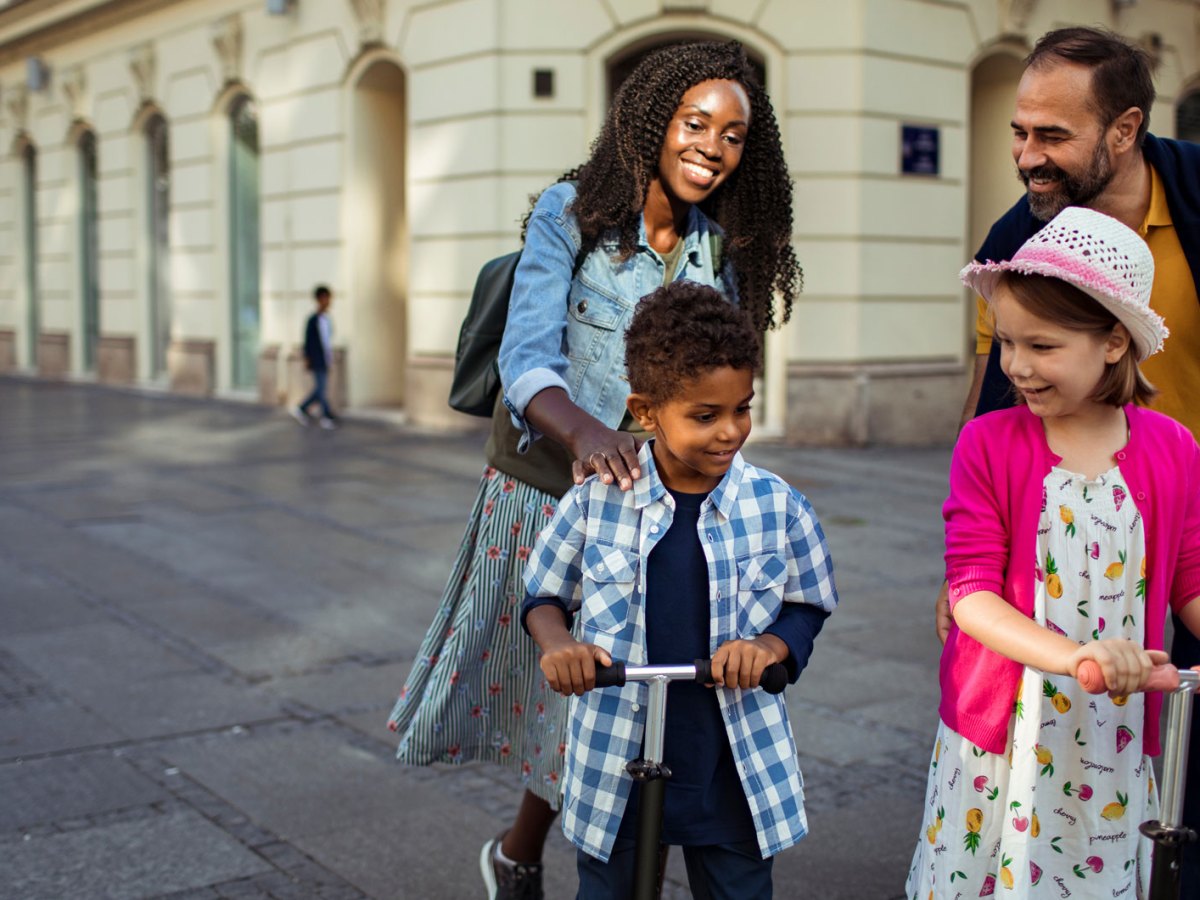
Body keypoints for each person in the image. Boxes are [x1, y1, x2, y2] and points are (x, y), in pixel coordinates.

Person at [385, 40, 802, 900]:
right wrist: (583, 433)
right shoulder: (568, 212)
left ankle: (536, 858)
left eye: (733, 134)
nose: (713, 147)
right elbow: (526, 356)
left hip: (645, 510)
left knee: (612, 703)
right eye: (696, 124)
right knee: (564, 696)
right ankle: (537, 858)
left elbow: (704, 384)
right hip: (547, 491)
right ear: (653, 120)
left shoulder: (714, 251)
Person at [933, 27, 1200, 886]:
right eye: (1019, 132)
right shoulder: (1022, 240)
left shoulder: (1190, 191)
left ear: (1122, 131)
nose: (1026, 155)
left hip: (1158, 545)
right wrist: (962, 557)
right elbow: (989, 403)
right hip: (1012, 710)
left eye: (1051, 135)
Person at [522, 282, 836, 899]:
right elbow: (543, 595)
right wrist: (559, 645)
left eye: (742, 408)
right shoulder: (595, 500)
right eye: (704, 415)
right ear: (645, 412)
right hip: (618, 752)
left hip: (730, 756)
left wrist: (770, 648)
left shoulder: (778, 506)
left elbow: (808, 602)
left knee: (737, 889)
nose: (730, 431)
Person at [291, 284, 338, 429]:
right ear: (320, 299)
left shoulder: (327, 319)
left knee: (320, 388)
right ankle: (326, 416)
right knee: (321, 388)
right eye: (326, 298)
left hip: (325, 358)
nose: (329, 301)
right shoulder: (313, 320)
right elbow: (308, 341)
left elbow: (327, 341)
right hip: (316, 359)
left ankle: (302, 409)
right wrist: (307, 358)